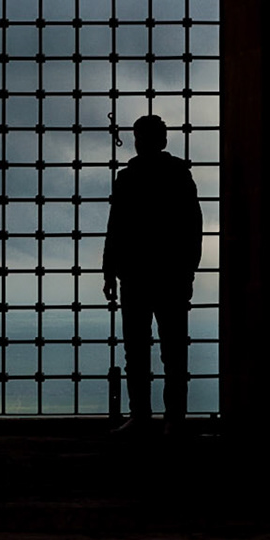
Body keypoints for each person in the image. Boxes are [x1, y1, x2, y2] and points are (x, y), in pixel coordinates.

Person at [102, 113, 203, 435]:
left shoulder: (129, 179)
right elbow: (193, 228)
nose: (140, 142)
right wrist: (188, 271)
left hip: (137, 275)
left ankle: (142, 416)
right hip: (167, 275)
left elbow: (114, 228)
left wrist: (110, 271)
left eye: (142, 136)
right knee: (171, 350)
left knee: (140, 349)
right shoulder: (177, 176)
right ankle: (172, 419)